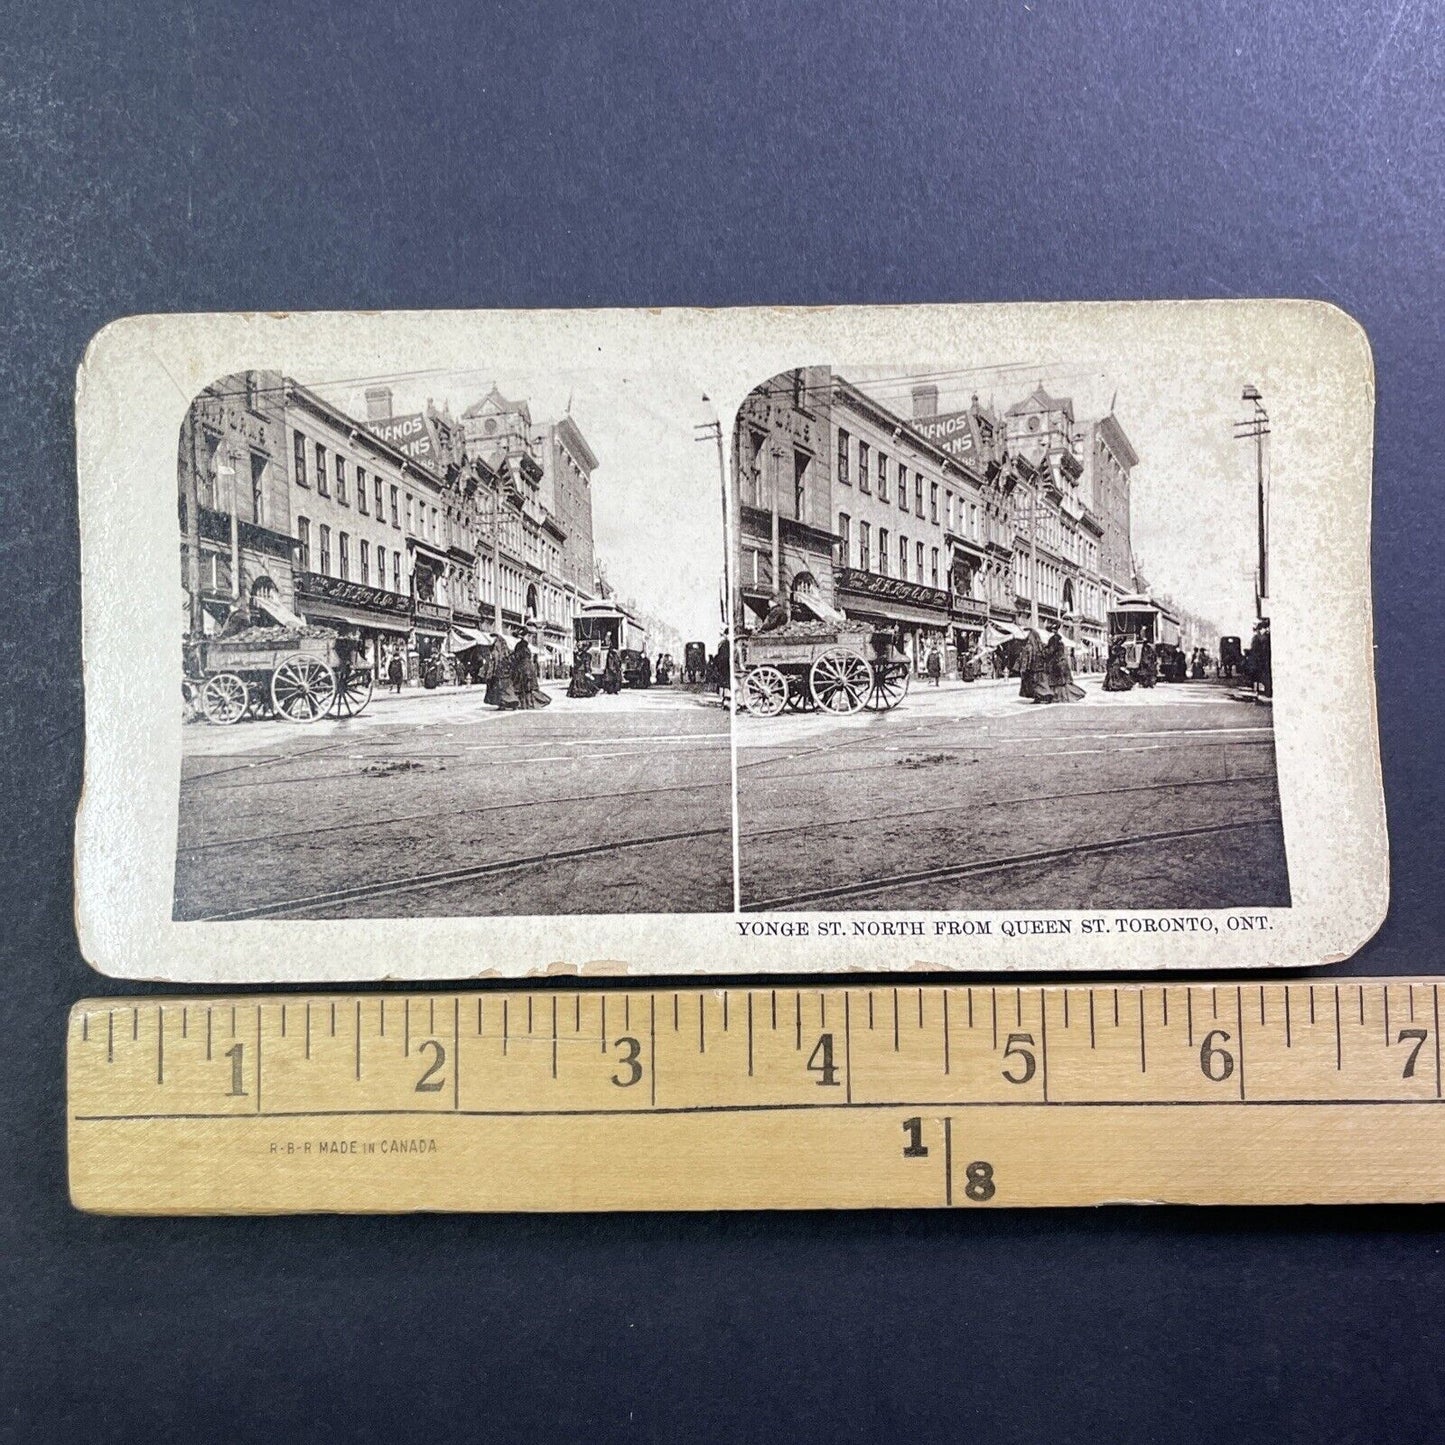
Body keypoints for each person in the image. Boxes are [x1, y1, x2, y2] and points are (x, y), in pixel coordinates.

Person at [1043, 624, 1084, 703]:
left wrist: (1044, 650)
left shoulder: (1053, 639)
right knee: (1063, 683)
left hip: (1056, 663)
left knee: (1057, 682)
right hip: (1062, 663)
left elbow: (1051, 651)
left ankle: (1058, 697)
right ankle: (1066, 696)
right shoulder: (1060, 640)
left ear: (1052, 631)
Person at [1018, 628, 1053, 703]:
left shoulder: (1029, 646)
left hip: (1033, 668)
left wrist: (1024, 668)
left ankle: (1044, 696)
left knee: (1035, 684)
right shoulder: (1040, 645)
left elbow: (1027, 658)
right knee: (1041, 683)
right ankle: (1044, 696)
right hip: (1041, 667)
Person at [485, 634, 519, 710]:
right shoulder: (503, 648)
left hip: (499, 671)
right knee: (506, 689)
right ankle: (510, 703)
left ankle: (506, 704)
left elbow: (496, 660)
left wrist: (492, 671)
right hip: (504, 671)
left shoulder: (497, 647)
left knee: (500, 689)